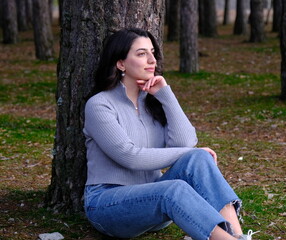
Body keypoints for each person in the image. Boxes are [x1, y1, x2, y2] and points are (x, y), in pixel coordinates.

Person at [83, 28, 256, 240]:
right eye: (141, 54)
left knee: (198, 157)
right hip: (108, 205)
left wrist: (165, 95)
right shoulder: (100, 104)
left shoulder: (152, 102)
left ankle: (238, 236)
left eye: (152, 52)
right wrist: (185, 153)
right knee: (175, 185)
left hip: (155, 200)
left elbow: (185, 142)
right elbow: (129, 156)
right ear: (120, 64)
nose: (151, 60)